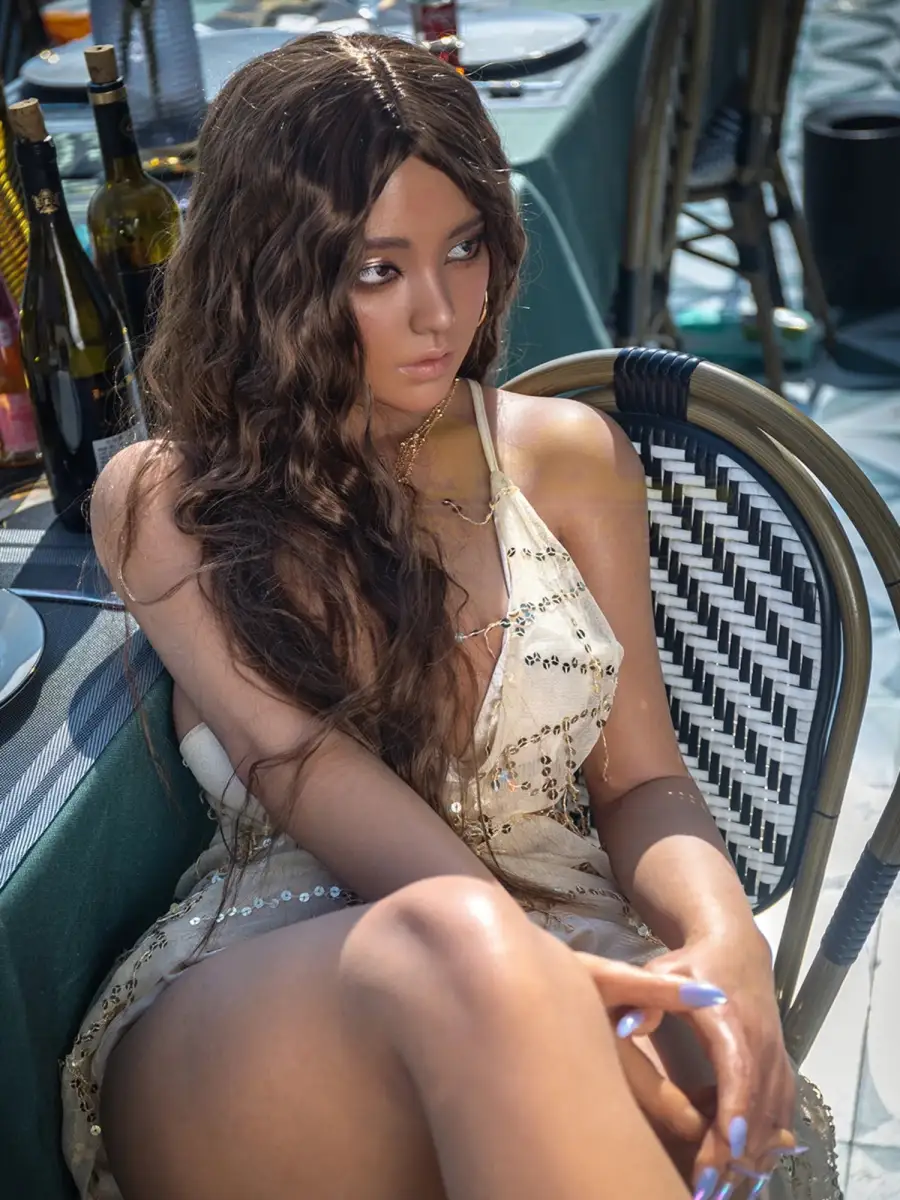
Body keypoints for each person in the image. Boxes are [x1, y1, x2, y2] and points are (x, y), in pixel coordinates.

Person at [61, 32, 840, 1200]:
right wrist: (532, 970)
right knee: (464, 951)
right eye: (377, 270)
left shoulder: (570, 459)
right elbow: (297, 764)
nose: (440, 312)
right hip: (274, 992)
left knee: (718, 1105)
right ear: (271, 271)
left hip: (564, 933)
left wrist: (725, 937)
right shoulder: (167, 497)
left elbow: (643, 781)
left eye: (465, 247)